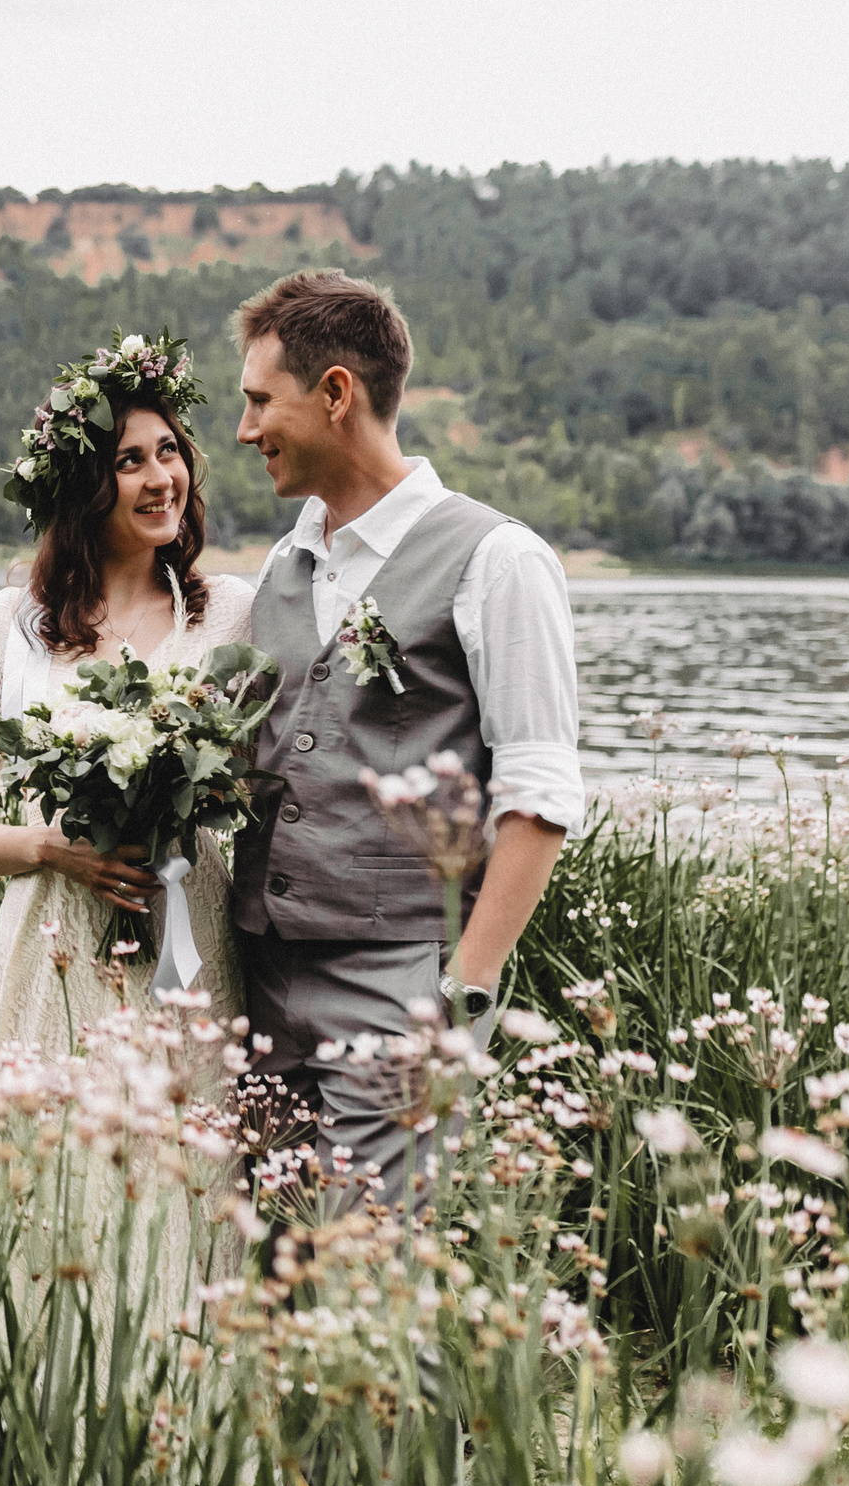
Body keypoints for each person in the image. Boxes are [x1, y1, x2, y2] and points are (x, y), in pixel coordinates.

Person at [227, 269, 584, 1222]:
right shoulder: (283, 560)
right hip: (261, 977)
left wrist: (460, 997)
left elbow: (540, 794)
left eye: (262, 399)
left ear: (336, 394)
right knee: (277, 1264)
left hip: (399, 988)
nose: (245, 428)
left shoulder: (499, 559)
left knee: (371, 1282)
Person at [0, 331, 255, 1334]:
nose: (161, 477)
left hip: (189, 949)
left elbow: (270, 776)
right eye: (129, 460)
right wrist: (53, 849)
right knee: (56, 1201)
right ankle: (53, 1449)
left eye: (170, 452)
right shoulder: (7, 625)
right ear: (83, 485)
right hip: (50, 956)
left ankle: (195, 1449)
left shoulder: (231, 613)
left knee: (187, 1186)